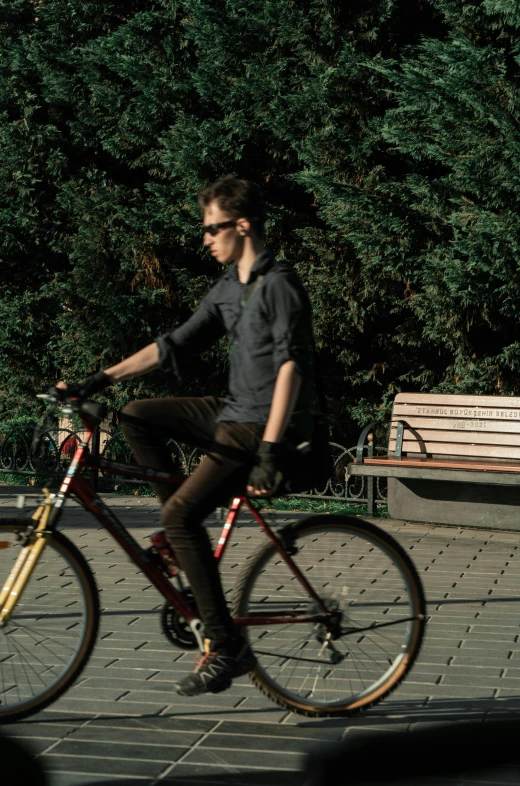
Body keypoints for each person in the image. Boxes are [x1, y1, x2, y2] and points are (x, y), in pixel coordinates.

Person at [57, 175, 319, 696]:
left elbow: (290, 366)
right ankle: (177, 542)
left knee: (180, 514)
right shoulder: (228, 289)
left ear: (242, 226)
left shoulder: (279, 285)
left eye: (213, 228)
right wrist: (101, 377)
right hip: (232, 410)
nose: (205, 238)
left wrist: (269, 450)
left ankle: (226, 649)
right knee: (136, 414)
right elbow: (173, 344)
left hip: (268, 424)